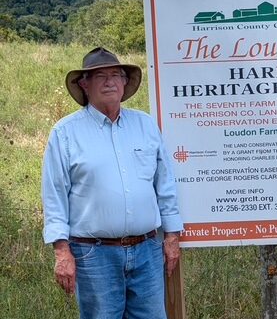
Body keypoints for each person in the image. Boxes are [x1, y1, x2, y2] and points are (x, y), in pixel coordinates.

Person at [41, 47, 184, 318]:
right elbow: (54, 195)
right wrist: (62, 252)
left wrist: (172, 236)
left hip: (148, 250)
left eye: (116, 75)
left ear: (124, 82)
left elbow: (164, 184)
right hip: (94, 256)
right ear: (84, 84)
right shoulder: (65, 133)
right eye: (100, 76)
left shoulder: (145, 125)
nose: (109, 82)